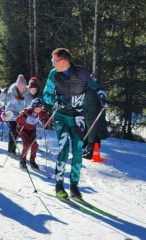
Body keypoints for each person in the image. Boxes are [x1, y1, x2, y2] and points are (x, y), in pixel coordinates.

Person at [43, 48, 107, 199]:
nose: (52, 64)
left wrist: (103, 97)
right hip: (60, 116)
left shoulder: (82, 73)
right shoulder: (54, 75)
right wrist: (54, 100)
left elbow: (98, 87)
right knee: (63, 148)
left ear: (63, 62)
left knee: (78, 150)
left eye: (54, 61)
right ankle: (59, 185)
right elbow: (46, 95)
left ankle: (74, 186)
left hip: (78, 116)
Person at [0, 74, 32, 157]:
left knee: (20, 132)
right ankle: (11, 151)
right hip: (11, 114)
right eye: (21, 87)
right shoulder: (11, 91)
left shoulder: (27, 93)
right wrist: (4, 92)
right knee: (13, 132)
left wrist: (33, 105)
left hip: (21, 116)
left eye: (24, 87)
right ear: (17, 86)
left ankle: (21, 150)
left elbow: (30, 102)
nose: (22, 89)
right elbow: (1, 99)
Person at [16, 98, 49, 170]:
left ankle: (32, 162)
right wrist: (25, 115)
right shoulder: (26, 111)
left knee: (35, 145)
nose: (38, 110)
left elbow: (47, 119)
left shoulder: (40, 113)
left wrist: (47, 120)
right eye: (36, 108)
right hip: (23, 130)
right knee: (27, 144)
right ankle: (22, 161)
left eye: (40, 108)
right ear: (33, 107)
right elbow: (17, 120)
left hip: (32, 130)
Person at [82, 88, 108, 160]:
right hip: (93, 118)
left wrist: (86, 116)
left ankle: (91, 152)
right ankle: (89, 150)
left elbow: (92, 109)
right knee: (92, 134)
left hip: (94, 119)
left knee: (93, 134)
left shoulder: (91, 93)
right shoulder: (89, 93)